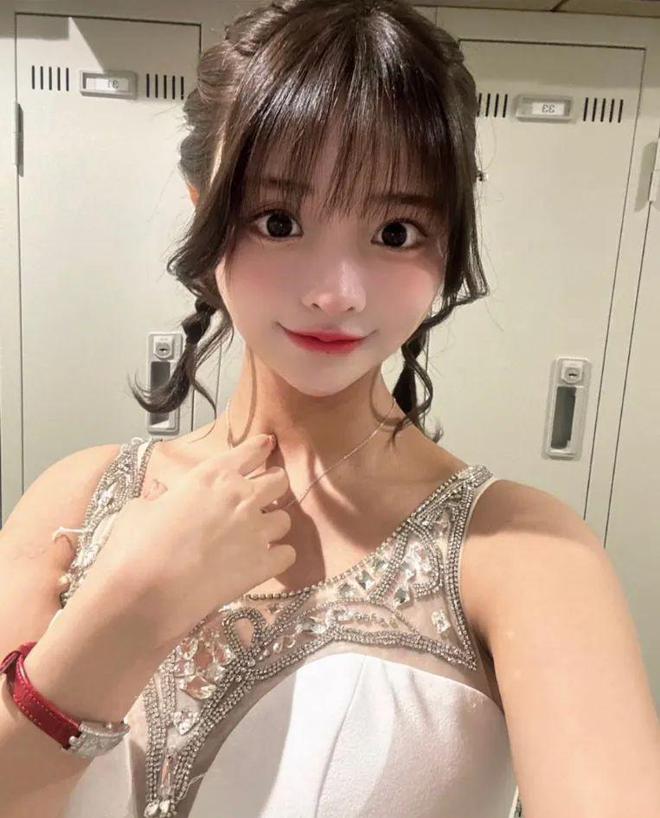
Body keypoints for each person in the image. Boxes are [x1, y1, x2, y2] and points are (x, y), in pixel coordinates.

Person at [2, 2, 659, 818]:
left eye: (396, 231)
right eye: (279, 221)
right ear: (204, 208)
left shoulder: (520, 554)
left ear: (448, 243)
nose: (335, 293)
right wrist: (129, 607)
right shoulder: (75, 501)